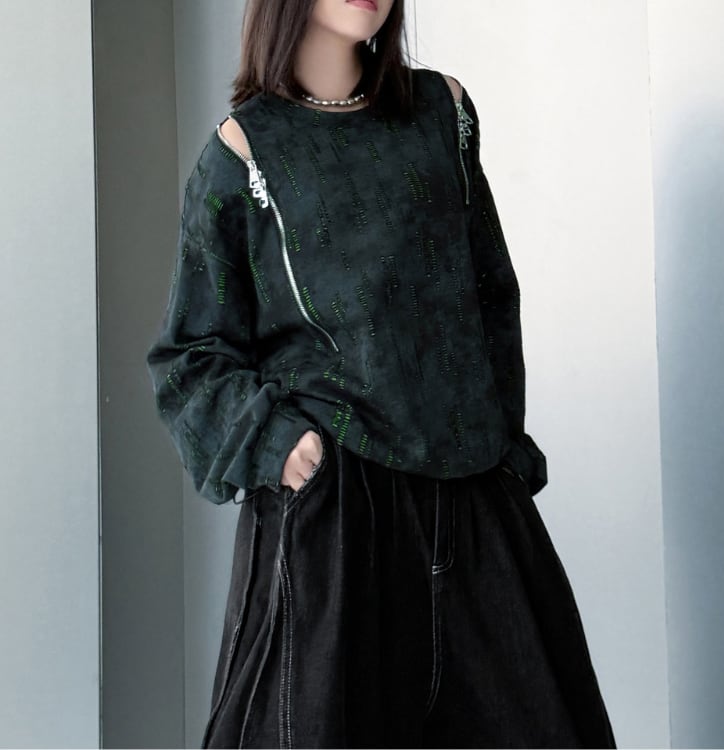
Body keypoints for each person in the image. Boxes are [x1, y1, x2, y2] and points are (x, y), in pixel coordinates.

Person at [146, 0, 617, 747]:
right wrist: (283, 448)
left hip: (473, 498)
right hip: (337, 509)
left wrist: (501, 444)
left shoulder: (443, 112)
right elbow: (191, 354)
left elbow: (491, 293)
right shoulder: (243, 152)